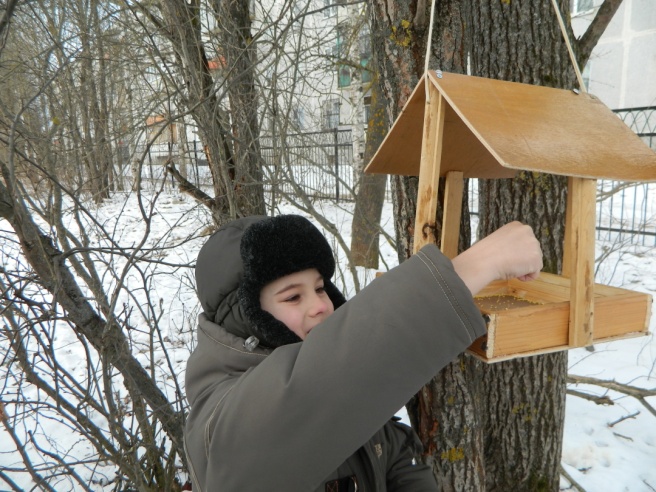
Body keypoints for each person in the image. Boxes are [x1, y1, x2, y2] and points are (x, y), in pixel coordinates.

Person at [184, 214, 543, 491]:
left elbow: (386, 449)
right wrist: (473, 268)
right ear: (247, 318)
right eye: (293, 296)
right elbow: (307, 393)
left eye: (321, 288)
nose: (319, 307)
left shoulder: (349, 404)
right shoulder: (220, 423)